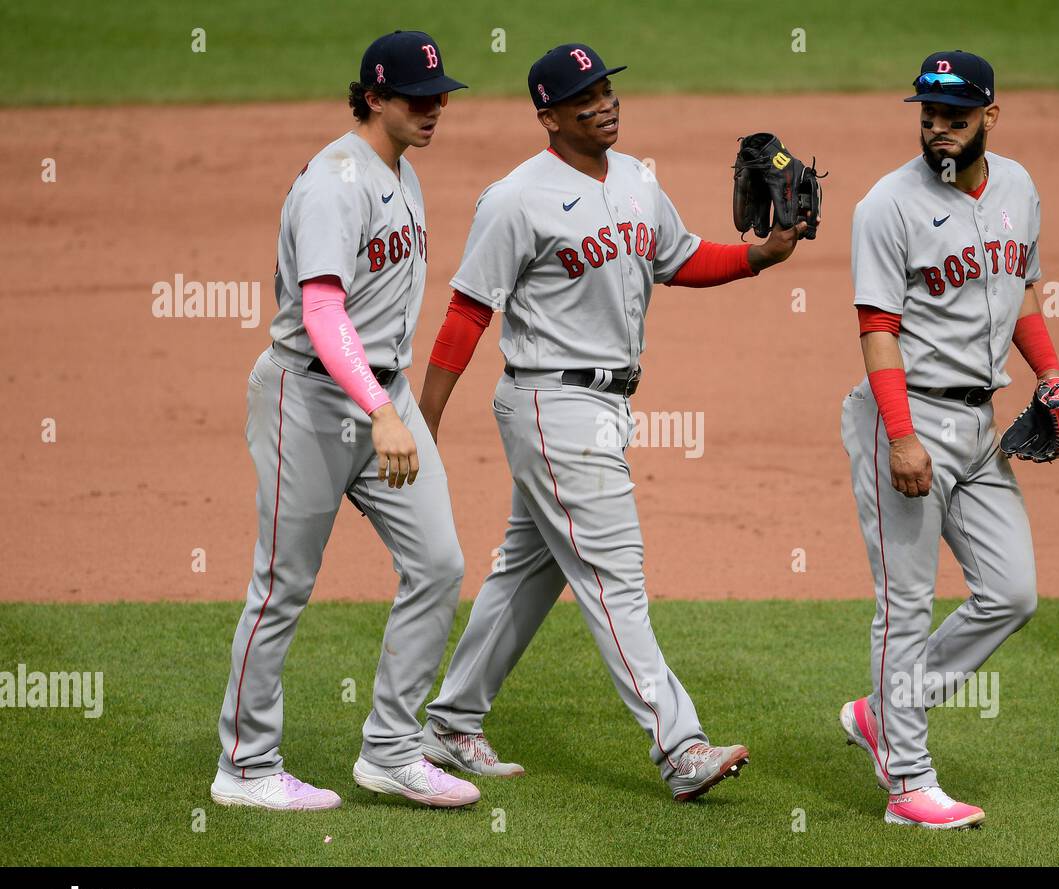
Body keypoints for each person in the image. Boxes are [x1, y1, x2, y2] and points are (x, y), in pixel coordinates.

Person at [417, 43, 809, 801]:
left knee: (527, 574)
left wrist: (761, 256)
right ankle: (680, 746)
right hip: (551, 401)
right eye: (582, 96)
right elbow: (468, 311)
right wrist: (422, 420)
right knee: (613, 576)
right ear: (549, 116)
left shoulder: (636, 179)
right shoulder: (515, 198)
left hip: (605, 404)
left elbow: (680, 255)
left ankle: (449, 722)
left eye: (605, 88)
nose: (603, 102)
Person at [211, 31, 479, 811]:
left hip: (376, 396)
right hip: (313, 397)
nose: (434, 110)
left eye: (440, 97)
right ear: (372, 97)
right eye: (417, 99)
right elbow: (322, 310)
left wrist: (392, 408)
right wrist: (381, 411)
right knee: (282, 585)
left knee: (438, 565)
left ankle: (392, 749)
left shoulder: (400, 172)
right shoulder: (335, 181)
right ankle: (246, 764)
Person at [839, 50, 1059, 829]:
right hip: (903, 421)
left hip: (982, 428)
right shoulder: (887, 205)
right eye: (928, 116)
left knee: (1011, 593)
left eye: (956, 117)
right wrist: (903, 437)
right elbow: (877, 330)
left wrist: (1051, 377)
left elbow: (1024, 295)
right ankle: (908, 783)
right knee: (905, 607)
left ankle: (884, 712)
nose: (938, 130)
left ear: (990, 117)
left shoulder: (1017, 186)